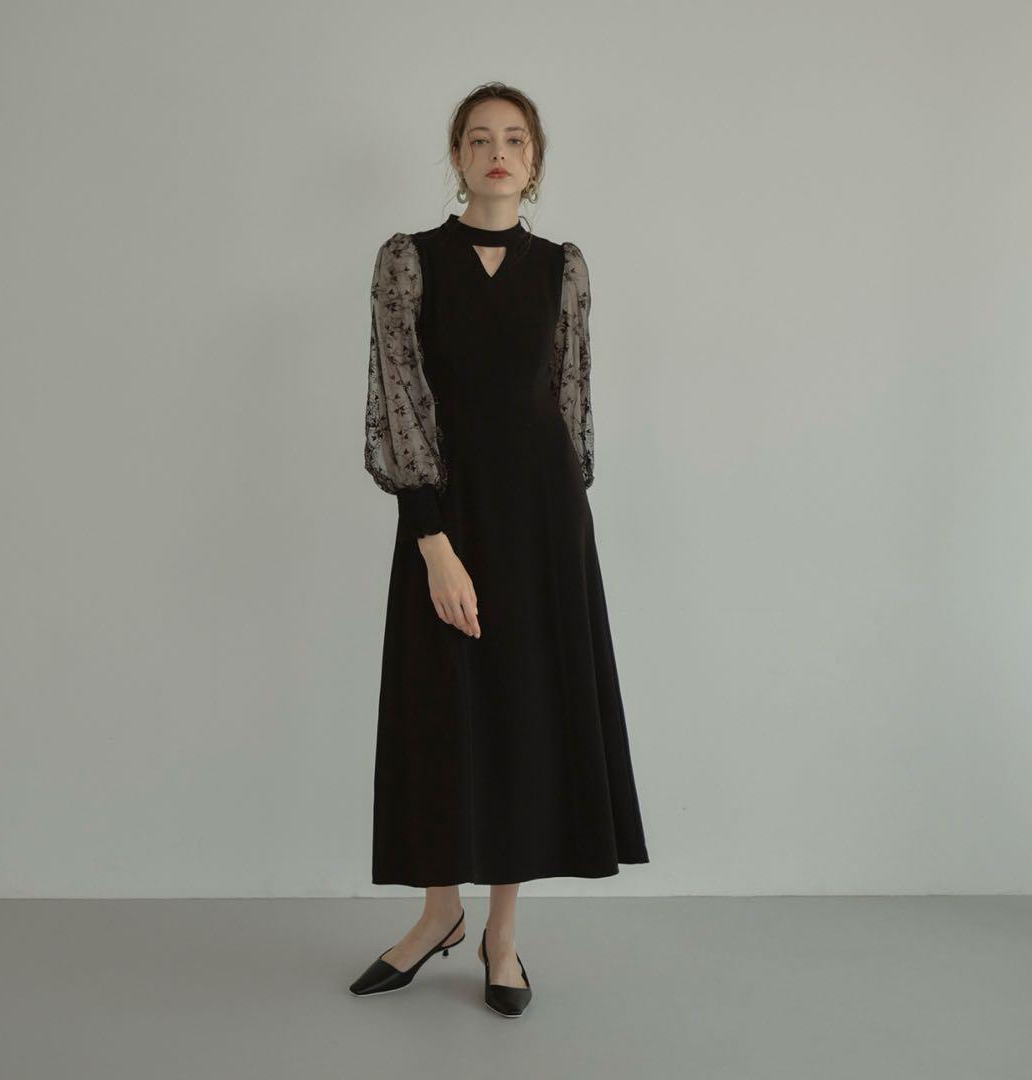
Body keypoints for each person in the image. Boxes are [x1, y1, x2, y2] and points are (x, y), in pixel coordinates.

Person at [349, 82, 649, 1016]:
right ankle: (439, 912)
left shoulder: (564, 267)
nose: (497, 153)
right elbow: (400, 400)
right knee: (439, 706)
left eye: (514, 139)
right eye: (479, 139)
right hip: (448, 510)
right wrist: (431, 539)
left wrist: (562, 529)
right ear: (457, 157)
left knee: (524, 714)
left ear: (535, 159)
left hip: (542, 521)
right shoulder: (409, 261)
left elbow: (570, 399)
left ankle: (503, 936)